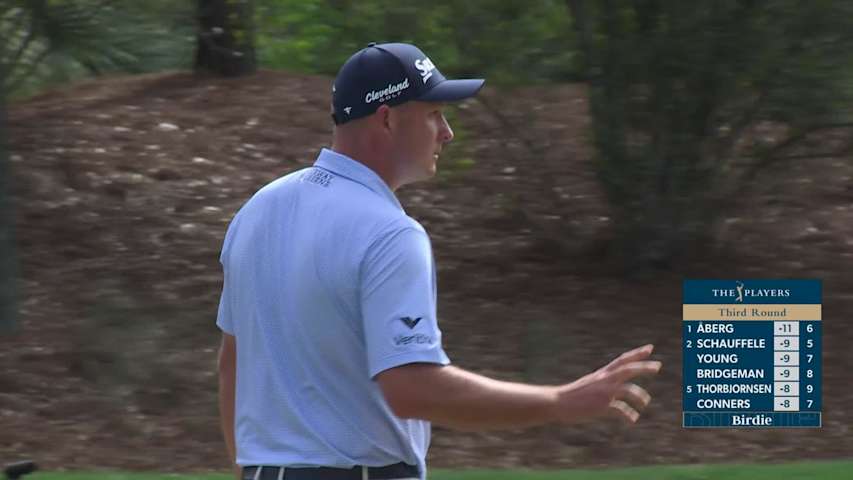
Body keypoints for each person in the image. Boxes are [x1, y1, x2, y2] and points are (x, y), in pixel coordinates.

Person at [216, 42, 662, 480]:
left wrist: (245, 467)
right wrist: (560, 401)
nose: (446, 132)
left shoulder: (258, 210)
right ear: (387, 118)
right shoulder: (390, 233)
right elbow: (412, 390)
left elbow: (233, 361)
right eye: (433, 114)